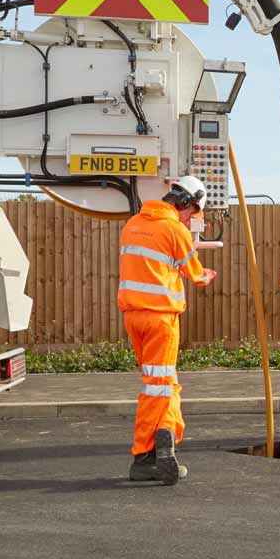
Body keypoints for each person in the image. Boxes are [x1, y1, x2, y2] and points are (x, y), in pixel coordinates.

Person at [118, 176, 216, 484]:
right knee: (158, 387)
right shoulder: (175, 229)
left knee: (166, 382)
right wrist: (207, 275)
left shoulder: (132, 224)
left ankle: (167, 434)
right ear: (185, 203)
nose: (191, 219)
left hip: (133, 317)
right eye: (192, 212)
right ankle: (146, 456)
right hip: (161, 319)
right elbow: (196, 274)